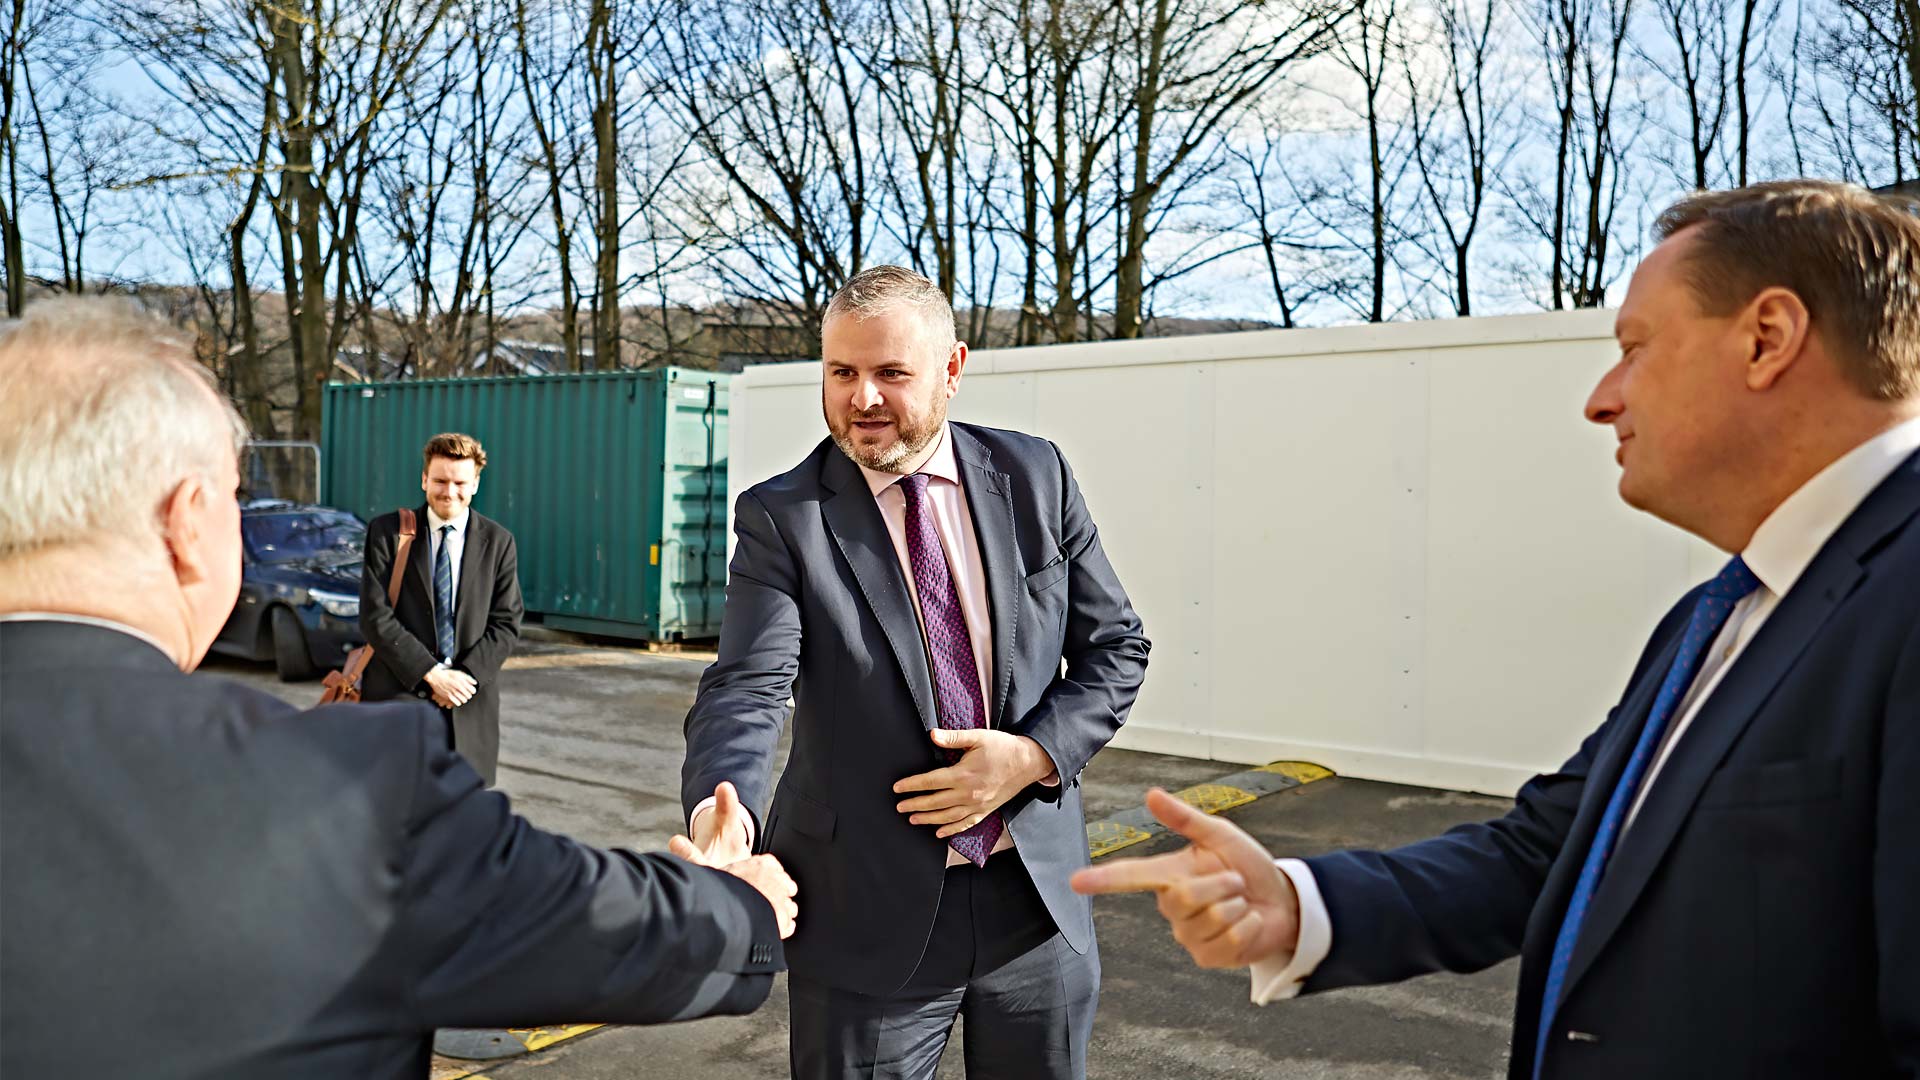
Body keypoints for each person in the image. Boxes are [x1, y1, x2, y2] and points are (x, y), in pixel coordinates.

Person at [1072, 179, 1920, 1079]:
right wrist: (1296, 905)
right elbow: (1549, 850)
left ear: (1767, 338)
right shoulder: (1723, 610)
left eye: (1635, 348)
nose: (1602, 398)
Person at [0, 296, 798, 1079]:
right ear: (188, 523)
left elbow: (505, 624)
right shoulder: (348, 787)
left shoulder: (493, 549)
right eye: (236, 499)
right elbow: (586, 929)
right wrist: (736, 904)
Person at [678, 265, 1150, 1079]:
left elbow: (1116, 649)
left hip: (1035, 906)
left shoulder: (1036, 477)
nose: (862, 399)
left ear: (953, 369)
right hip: (864, 916)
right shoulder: (782, 517)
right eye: (842, 372)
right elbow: (747, 684)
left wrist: (1033, 756)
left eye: (891, 373)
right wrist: (724, 814)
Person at [359, 432, 520, 785]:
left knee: (463, 822)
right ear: (424, 480)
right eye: (440, 481)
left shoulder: (499, 542)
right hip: (399, 701)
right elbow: (375, 616)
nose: (449, 492)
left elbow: (506, 623)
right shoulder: (387, 533)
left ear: (476, 484)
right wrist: (431, 674)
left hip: (468, 708)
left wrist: (463, 680)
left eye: (460, 482)